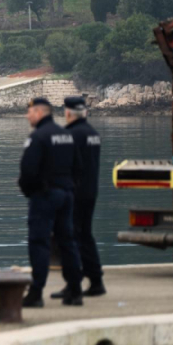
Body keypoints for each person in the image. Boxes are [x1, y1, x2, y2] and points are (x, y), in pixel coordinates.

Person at [19, 97, 84, 308]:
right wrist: (69, 188)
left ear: (39, 113)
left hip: (44, 195)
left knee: (39, 242)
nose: (27, 116)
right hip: (67, 195)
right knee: (67, 241)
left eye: (29, 112)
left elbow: (28, 170)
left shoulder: (38, 137)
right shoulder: (66, 135)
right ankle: (75, 290)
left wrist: (29, 192)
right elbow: (79, 167)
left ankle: (36, 292)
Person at [51, 96, 106, 299]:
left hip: (74, 193)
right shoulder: (93, 134)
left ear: (67, 113)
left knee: (70, 238)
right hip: (90, 192)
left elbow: (62, 165)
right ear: (85, 113)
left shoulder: (70, 135)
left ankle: (73, 283)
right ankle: (96, 280)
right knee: (86, 236)